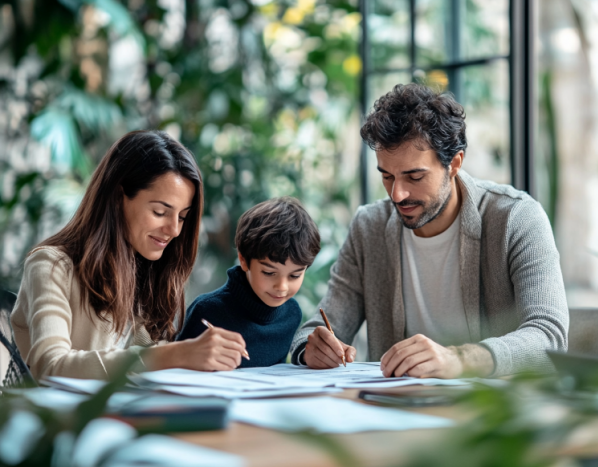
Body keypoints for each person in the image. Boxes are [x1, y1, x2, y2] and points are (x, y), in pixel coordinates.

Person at [289, 84, 569, 378]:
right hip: (395, 408)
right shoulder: (368, 227)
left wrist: (460, 359)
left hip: (493, 414)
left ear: (454, 164)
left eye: (415, 176)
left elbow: (549, 337)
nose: (397, 194)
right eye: (387, 176)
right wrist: (312, 347)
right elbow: (320, 326)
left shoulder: (516, 217)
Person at [10, 130, 249, 380]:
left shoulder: (145, 269)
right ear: (117, 198)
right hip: (55, 417)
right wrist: (175, 354)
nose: (174, 230)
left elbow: (143, 364)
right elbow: (51, 366)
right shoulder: (51, 265)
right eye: (159, 212)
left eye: (182, 217)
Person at [177, 197, 321, 368]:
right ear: (243, 260)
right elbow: (175, 367)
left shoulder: (291, 313)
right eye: (269, 272)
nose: (282, 287)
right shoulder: (207, 310)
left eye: (295, 276)